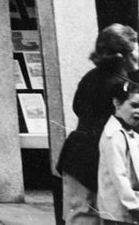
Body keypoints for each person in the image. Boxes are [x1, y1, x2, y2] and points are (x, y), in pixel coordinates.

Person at [58, 24, 139, 224]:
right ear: (122, 56)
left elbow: (77, 108)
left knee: (80, 214)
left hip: (78, 155)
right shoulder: (122, 85)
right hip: (103, 157)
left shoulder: (91, 77)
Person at [96, 81, 139, 224]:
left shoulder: (129, 132)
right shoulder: (114, 135)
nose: (138, 111)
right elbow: (118, 174)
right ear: (117, 103)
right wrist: (134, 206)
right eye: (134, 105)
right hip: (117, 212)